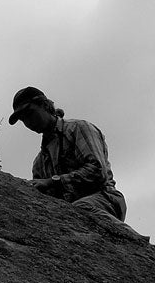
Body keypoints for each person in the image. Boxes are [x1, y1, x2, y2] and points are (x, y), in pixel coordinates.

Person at [9, 86, 127, 222]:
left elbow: (97, 171)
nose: (28, 122)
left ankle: (135, 242)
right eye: (23, 119)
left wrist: (52, 182)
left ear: (44, 105)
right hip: (68, 211)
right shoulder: (39, 163)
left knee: (80, 209)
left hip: (105, 197)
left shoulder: (78, 128)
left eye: (30, 114)